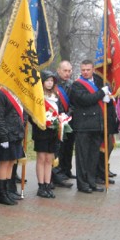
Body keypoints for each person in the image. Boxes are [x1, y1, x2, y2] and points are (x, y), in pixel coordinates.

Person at [69, 60, 108, 193]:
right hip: (83, 126)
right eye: (83, 69)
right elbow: (86, 100)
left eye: (88, 69)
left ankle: (92, 182)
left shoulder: (98, 82)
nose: (85, 72)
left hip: (96, 125)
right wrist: (101, 93)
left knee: (93, 157)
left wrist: (107, 95)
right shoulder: (76, 85)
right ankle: (82, 184)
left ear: (93, 70)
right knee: (82, 157)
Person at [0, 85, 24, 205]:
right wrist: (3, 136)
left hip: (16, 133)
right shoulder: (1, 93)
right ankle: (1, 194)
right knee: (4, 162)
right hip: (6, 134)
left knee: (11, 162)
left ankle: (7, 191)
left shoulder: (17, 92)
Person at [31, 70, 62, 198]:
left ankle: (48, 184)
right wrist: (41, 123)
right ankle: (41, 186)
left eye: (51, 81)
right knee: (41, 158)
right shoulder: (37, 96)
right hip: (41, 131)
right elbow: (32, 115)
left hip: (53, 131)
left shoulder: (56, 96)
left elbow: (60, 112)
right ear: (42, 82)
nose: (49, 83)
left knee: (49, 159)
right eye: (47, 81)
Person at [51, 60, 75, 188]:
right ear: (59, 70)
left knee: (68, 147)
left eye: (69, 71)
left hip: (69, 119)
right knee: (58, 148)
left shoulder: (72, 84)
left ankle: (67, 170)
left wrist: (68, 114)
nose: (67, 73)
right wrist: (59, 116)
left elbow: (74, 102)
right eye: (65, 71)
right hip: (56, 120)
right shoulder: (52, 84)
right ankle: (57, 173)